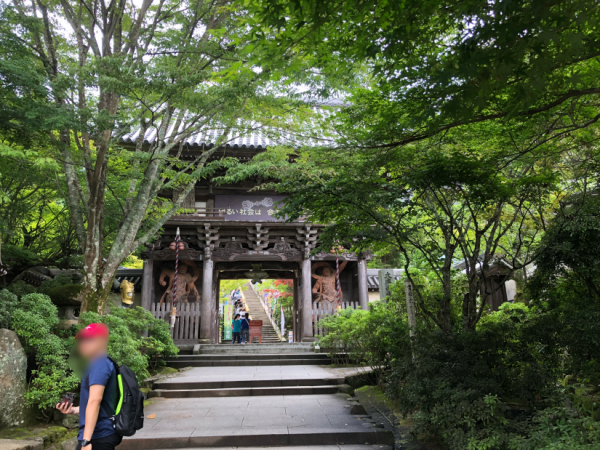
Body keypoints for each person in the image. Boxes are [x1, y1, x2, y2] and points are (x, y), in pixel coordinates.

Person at [56, 323, 121, 450]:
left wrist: (86, 441)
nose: (83, 344)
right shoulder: (101, 363)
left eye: (89, 340)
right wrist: (73, 410)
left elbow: (95, 401)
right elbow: (99, 403)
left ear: (102, 341)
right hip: (100, 434)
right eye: (81, 340)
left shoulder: (99, 364)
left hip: (98, 435)